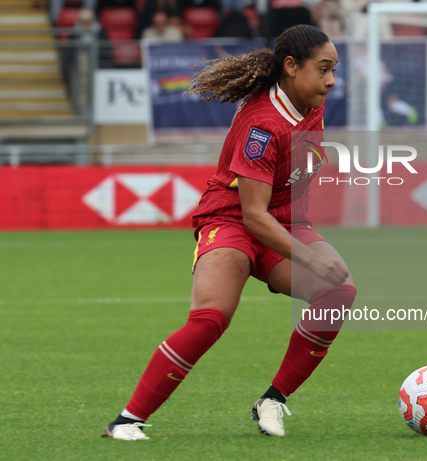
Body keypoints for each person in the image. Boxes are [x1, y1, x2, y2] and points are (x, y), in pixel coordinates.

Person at [101, 24, 356, 441]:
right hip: (232, 220)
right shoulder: (262, 126)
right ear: (291, 67)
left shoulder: (309, 101)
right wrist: (311, 258)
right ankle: (127, 421)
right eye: (324, 69)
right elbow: (253, 215)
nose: (331, 80)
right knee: (211, 317)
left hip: (285, 221)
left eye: (334, 69)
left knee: (339, 292)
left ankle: (272, 400)